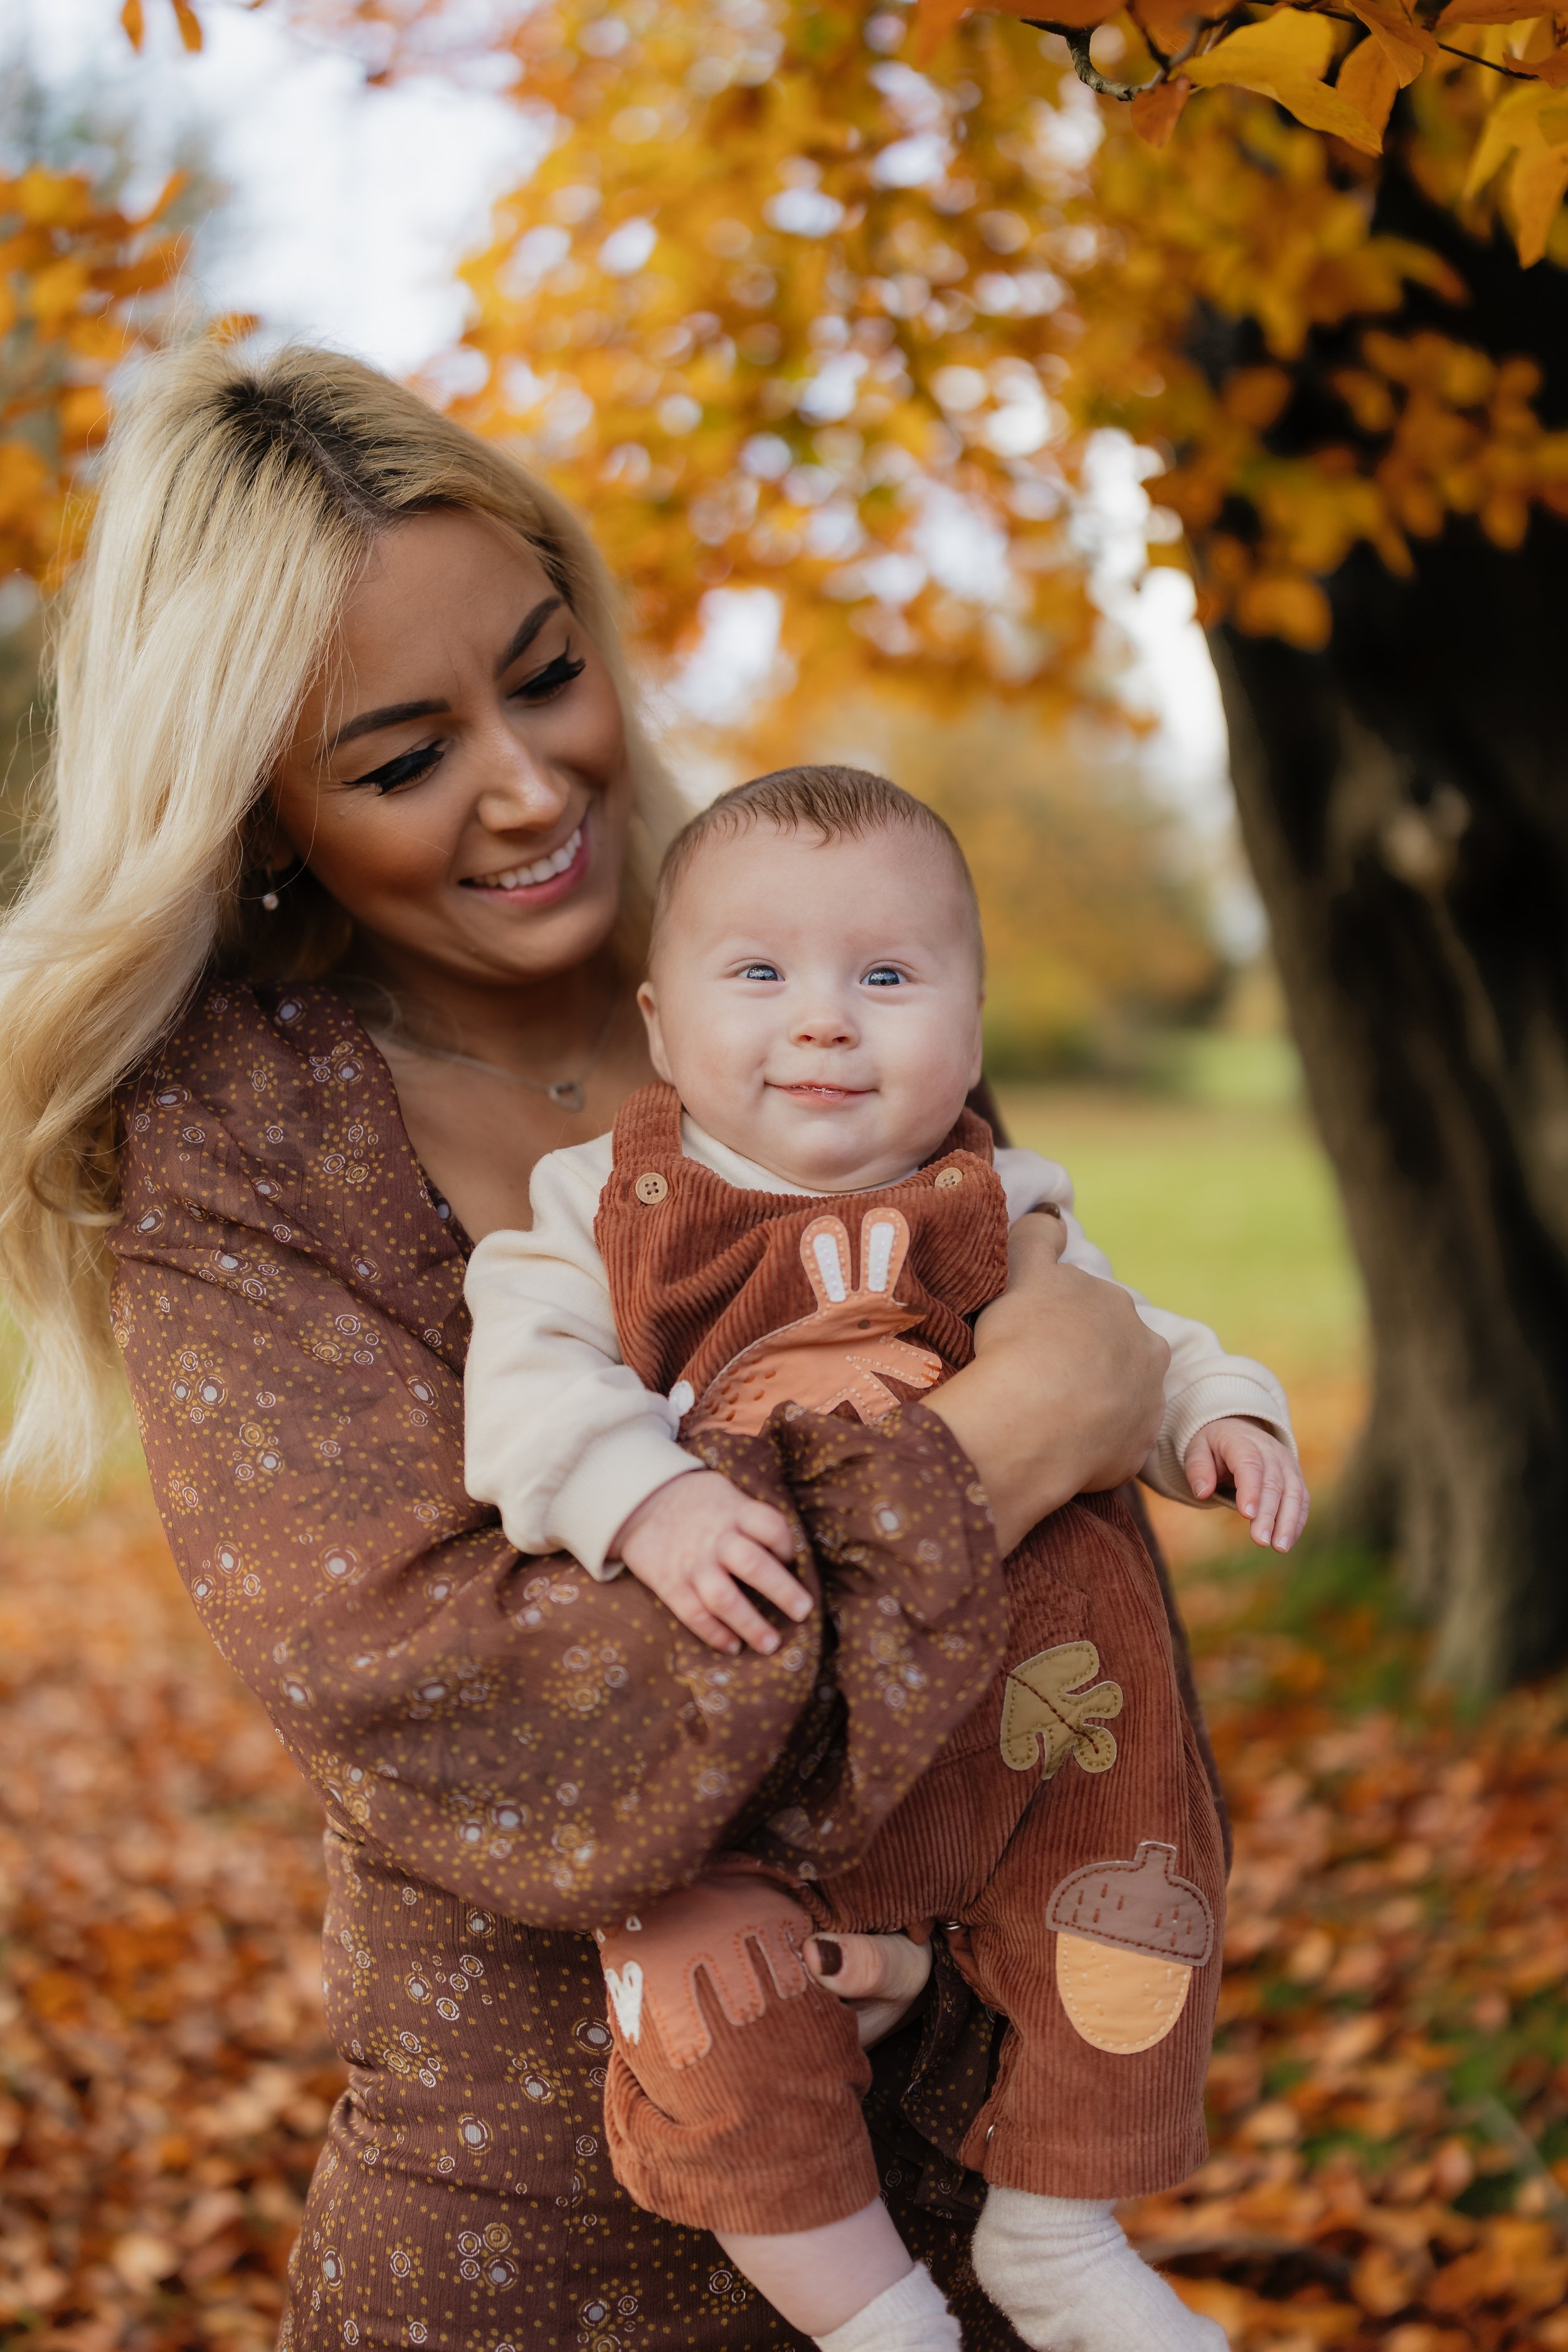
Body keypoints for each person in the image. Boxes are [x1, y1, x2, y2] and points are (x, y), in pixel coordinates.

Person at [0, 339, 1187, 2351]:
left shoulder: (784, 976)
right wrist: (1009, 1438)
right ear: (263, 811)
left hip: (959, 2185)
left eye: (542, 675)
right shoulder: (244, 1135)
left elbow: (1070, 1629)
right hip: (539, 2242)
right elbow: (479, 1701)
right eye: (400, 758)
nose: (529, 781)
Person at [463, 765, 1307, 2351]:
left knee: (1137, 1895)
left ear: (971, 1033)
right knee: (704, 1999)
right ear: (658, 1025)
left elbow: (1130, 1343)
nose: (824, 1021)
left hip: (1033, 1725)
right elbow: (522, 1389)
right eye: (761, 973)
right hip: (754, 1749)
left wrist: (1219, 1414)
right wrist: (639, 1496)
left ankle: (1056, 2227)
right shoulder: (600, 1211)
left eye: (887, 976)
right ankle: (871, 2318)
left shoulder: (999, 1202)